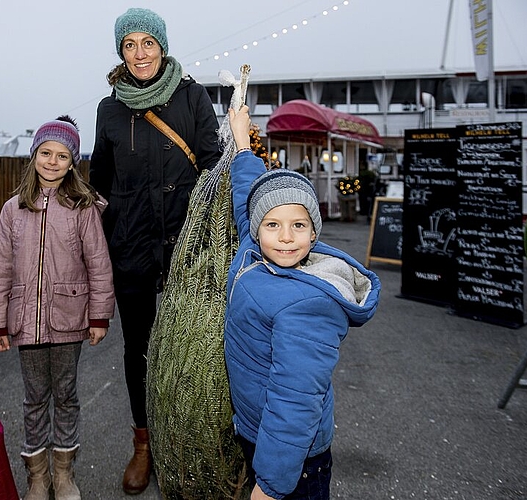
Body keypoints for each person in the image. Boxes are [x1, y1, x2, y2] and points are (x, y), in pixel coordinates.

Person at [88, 7, 221, 495]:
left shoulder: (192, 96)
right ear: (120, 52)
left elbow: (211, 163)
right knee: (138, 348)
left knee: (195, 346)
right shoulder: (108, 109)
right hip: (132, 244)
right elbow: (99, 179)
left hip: (187, 246)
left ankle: (190, 439)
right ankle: (143, 444)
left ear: (162, 46)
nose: (140, 53)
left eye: (148, 43)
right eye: (130, 45)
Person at [223, 105, 381, 500]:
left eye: (298, 225)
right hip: (260, 432)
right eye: (272, 225)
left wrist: (271, 486)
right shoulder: (253, 252)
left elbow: (294, 402)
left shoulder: (308, 305)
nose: (286, 237)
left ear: (314, 234)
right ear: (257, 230)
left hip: (294, 460)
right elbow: (248, 195)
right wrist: (243, 142)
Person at [0, 116, 115, 500]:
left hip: (68, 319)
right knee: (34, 398)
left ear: (73, 162)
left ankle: (63, 474)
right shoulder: (13, 209)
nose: (53, 162)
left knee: (66, 394)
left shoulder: (82, 207)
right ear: (34, 155)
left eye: (62, 156)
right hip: (27, 322)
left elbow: (98, 263)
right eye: (46, 153)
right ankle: (37, 477)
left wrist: (99, 315)